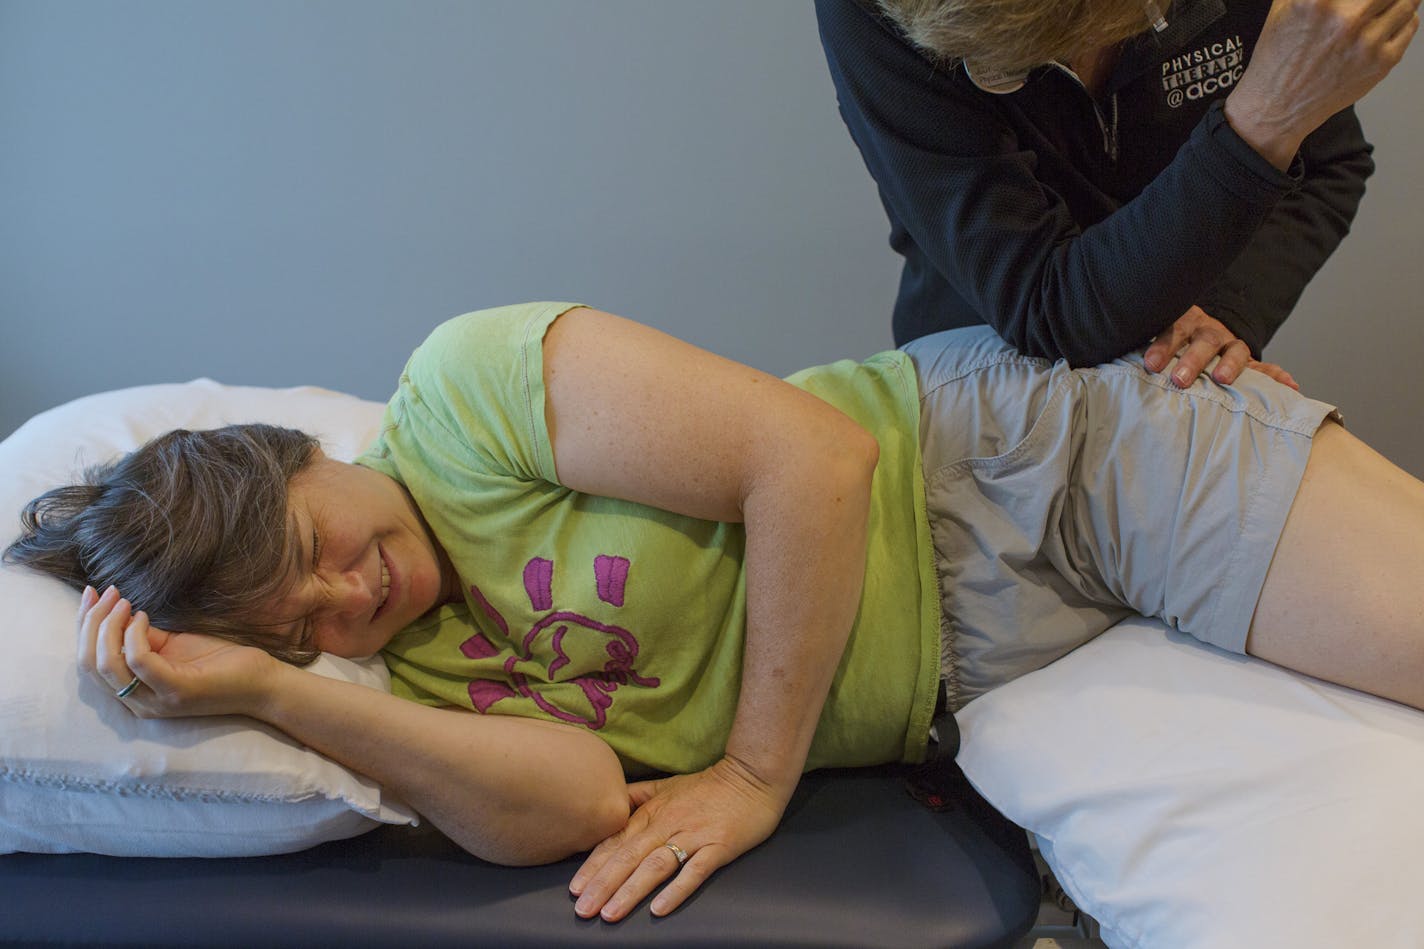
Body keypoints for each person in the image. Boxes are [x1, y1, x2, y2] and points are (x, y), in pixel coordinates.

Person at [8, 302, 1424, 923]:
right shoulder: (400, 679)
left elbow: (812, 457)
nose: (349, 594)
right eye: (302, 623)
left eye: (320, 545)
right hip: (988, 678)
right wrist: (273, 694)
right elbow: (572, 804)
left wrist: (753, 775)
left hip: (1018, 479)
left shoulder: (463, 396)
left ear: (308, 456)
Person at [814, 0, 1417, 386]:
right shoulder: (876, 11)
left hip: (1172, 376)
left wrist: (1223, 314)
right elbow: (1045, 303)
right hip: (983, 364)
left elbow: (1327, 165)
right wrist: (1262, 122)